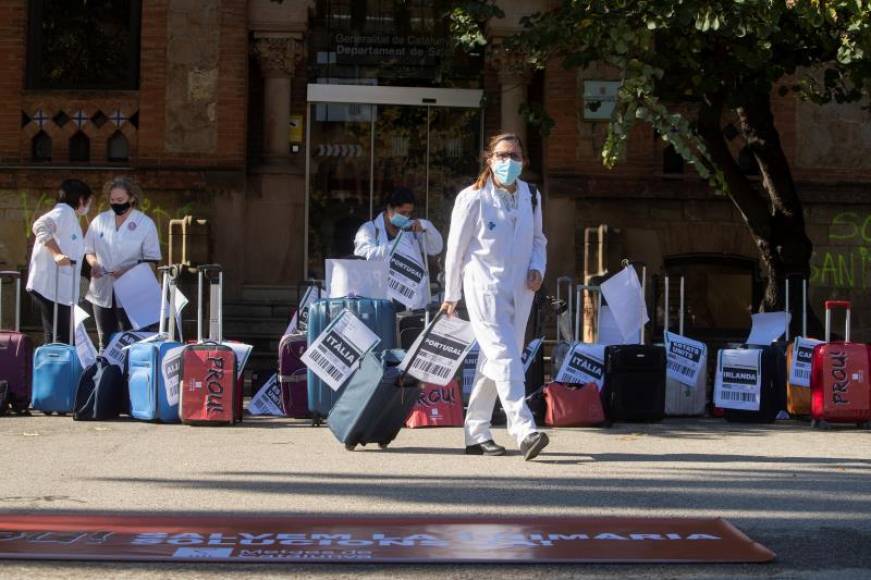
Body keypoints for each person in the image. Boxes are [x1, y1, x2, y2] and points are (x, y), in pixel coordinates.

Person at [441, 133, 549, 461]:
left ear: (524, 161)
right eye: (501, 155)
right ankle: (524, 430)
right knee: (505, 357)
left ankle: (476, 433)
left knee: (494, 362)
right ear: (489, 159)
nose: (508, 162)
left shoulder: (531, 196)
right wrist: (451, 293)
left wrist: (537, 268)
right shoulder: (473, 198)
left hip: (520, 291)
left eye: (514, 156)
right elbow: (455, 249)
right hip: (483, 289)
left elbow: (538, 240)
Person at [84, 177, 161, 349]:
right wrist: (94, 264)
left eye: (120, 200)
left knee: (129, 340)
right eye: (112, 200)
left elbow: (152, 261)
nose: (116, 204)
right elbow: (89, 250)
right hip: (102, 288)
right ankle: (104, 365)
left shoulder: (145, 224)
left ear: (131, 198)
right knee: (105, 341)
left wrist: (127, 271)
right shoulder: (100, 220)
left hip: (132, 290)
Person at [26, 179, 94, 345]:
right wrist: (57, 254)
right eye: (88, 201)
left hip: (60, 289)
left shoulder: (70, 217)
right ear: (81, 199)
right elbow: (40, 225)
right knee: (61, 337)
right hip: (51, 286)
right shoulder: (62, 213)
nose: (88, 205)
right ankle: (55, 362)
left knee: (60, 336)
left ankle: (57, 361)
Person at [353, 187, 444, 309]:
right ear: (389, 208)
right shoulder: (370, 229)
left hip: (413, 301)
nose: (406, 217)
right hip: (383, 300)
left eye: (409, 213)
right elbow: (362, 257)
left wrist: (427, 226)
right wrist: (393, 248)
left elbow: (436, 248)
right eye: (402, 213)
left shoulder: (411, 230)